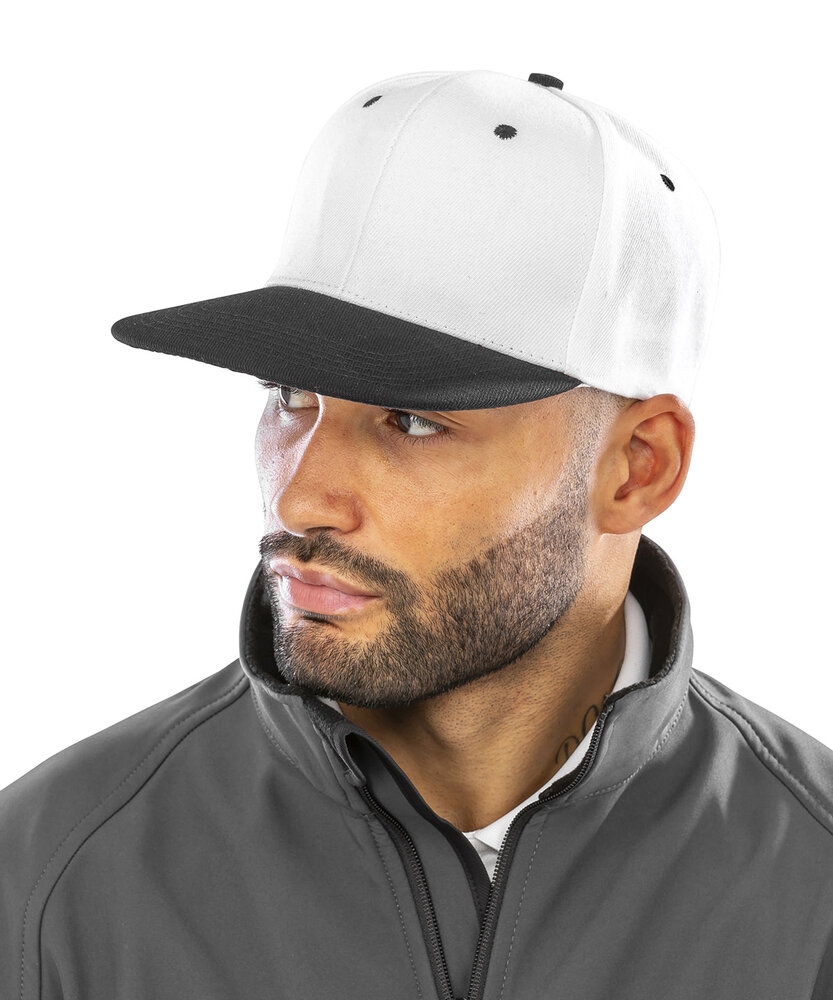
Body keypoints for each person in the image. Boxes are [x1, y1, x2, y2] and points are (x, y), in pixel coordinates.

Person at [2, 68, 832, 1000]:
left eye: (411, 420)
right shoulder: (49, 879)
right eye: (289, 396)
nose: (300, 499)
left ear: (637, 468)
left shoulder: (813, 886)